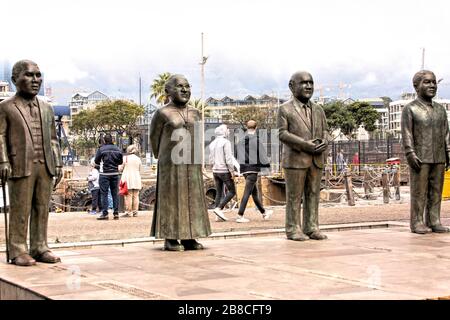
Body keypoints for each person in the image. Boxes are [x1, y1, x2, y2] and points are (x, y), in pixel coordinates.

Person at [0, 60, 63, 266]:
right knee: (20, 208)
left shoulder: (47, 108)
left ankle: (40, 246)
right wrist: (3, 161)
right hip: (20, 165)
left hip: (45, 164)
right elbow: (0, 136)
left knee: (42, 207)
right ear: (15, 80)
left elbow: (54, 138)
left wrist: (59, 162)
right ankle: (18, 249)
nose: (35, 80)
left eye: (38, 75)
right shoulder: (6, 107)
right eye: (29, 75)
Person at [150, 74, 211, 251]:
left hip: (192, 163)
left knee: (192, 199)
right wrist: (163, 157)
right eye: (179, 86)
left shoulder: (195, 112)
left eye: (187, 86)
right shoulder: (162, 113)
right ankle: (170, 238)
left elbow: (199, 138)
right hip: (170, 164)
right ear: (168, 91)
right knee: (171, 199)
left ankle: (190, 236)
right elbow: (154, 139)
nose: (185, 90)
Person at [277, 71, 329, 241]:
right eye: (304, 83)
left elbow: (325, 130)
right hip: (295, 160)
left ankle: (312, 226)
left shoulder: (319, 110)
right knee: (294, 196)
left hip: (316, 159)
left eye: (311, 83)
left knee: (313, 194)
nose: (308, 86)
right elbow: (282, 134)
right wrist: (304, 144)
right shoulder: (285, 109)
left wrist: (325, 141)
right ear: (292, 86)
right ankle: (293, 228)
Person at [401, 70, 450, 234]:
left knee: (436, 191)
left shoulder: (440, 110)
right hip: (420, 157)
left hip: (439, 156)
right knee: (419, 191)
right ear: (416, 86)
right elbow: (407, 133)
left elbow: (446, 132)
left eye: (434, 82)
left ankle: (434, 220)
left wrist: (448, 151)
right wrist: (410, 153)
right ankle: (417, 222)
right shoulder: (411, 109)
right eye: (427, 82)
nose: (432, 85)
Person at [235, 120, 273, 223]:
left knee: (254, 193)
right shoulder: (256, 140)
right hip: (253, 169)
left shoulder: (241, 140)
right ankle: (240, 215)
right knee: (247, 193)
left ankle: (264, 213)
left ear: (247, 128)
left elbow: (236, 155)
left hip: (244, 169)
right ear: (256, 128)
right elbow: (263, 156)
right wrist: (267, 166)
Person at [208, 124, 236, 221]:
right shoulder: (226, 142)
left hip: (215, 171)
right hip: (224, 170)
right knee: (232, 191)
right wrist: (232, 171)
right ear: (224, 132)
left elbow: (210, 159)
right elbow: (228, 158)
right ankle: (219, 208)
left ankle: (217, 216)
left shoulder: (212, 144)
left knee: (219, 193)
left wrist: (213, 168)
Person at [95, 133, 123, 220]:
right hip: (115, 174)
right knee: (115, 194)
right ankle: (116, 213)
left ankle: (105, 213)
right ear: (112, 140)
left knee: (104, 194)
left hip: (104, 174)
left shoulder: (101, 149)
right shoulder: (118, 149)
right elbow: (120, 162)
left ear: (104, 140)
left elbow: (96, 161)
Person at [119, 144, 142, 217]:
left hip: (128, 178)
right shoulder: (138, 159)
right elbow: (140, 169)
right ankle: (135, 212)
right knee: (136, 196)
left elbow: (120, 168)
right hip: (136, 178)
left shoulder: (125, 158)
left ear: (128, 150)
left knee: (128, 196)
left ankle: (129, 212)